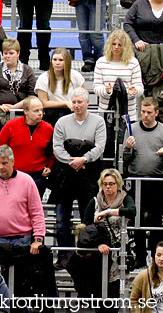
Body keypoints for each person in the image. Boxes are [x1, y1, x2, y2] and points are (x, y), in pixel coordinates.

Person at [51, 87, 106, 269]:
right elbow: (57, 147)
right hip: (65, 176)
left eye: (79, 102)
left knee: (87, 219)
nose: (76, 105)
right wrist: (71, 161)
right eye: (73, 102)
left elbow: (99, 148)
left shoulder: (98, 121)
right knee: (61, 221)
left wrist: (84, 159)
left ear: (88, 103)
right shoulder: (62, 122)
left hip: (88, 175)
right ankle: (63, 256)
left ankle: (86, 256)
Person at [82, 168, 137, 298]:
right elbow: (86, 225)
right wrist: (98, 243)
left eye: (111, 184)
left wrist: (108, 212)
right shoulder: (95, 201)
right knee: (98, 291)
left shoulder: (125, 198)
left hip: (119, 250)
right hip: (100, 250)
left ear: (117, 184)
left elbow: (132, 211)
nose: (108, 187)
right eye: (105, 184)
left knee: (116, 291)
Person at [124, 98, 163, 267]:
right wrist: (127, 148)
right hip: (136, 181)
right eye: (142, 112)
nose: (145, 116)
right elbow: (124, 159)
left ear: (156, 113)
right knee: (137, 221)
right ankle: (139, 256)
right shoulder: (132, 129)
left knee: (155, 221)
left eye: (149, 112)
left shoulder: (162, 131)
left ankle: (157, 257)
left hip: (157, 182)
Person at [0, 96, 55, 195]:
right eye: (36, 111)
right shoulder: (11, 126)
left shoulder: (48, 129)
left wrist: (50, 166)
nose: (40, 113)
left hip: (38, 177)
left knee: (33, 208)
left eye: (41, 110)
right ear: (26, 111)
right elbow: (0, 149)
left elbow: (53, 152)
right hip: (14, 175)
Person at [93, 29, 144, 121]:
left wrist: (134, 90)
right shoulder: (101, 62)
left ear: (125, 47)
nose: (116, 47)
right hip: (106, 112)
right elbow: (96, 87)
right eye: (114, 44)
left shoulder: (133, 63)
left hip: (128, 112)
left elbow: (140, 87)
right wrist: (106, 91)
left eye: (120, 45)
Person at [0, 37, 36, 111]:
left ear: (18, 53)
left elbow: (32, 95)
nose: (7, 56)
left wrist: (14, 107)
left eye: (11, 53)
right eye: (5, 53)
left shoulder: (28, 70)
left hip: (21, 111)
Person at [35, 47, 86, 125]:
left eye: (61, 60)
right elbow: (44, 103)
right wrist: (65, 103)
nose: (57, 63)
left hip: (73, 112)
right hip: (51, 114)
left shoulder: (76, 76)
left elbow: (84, 96)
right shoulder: (43, 78)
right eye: (54, 60)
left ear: (67, 62)